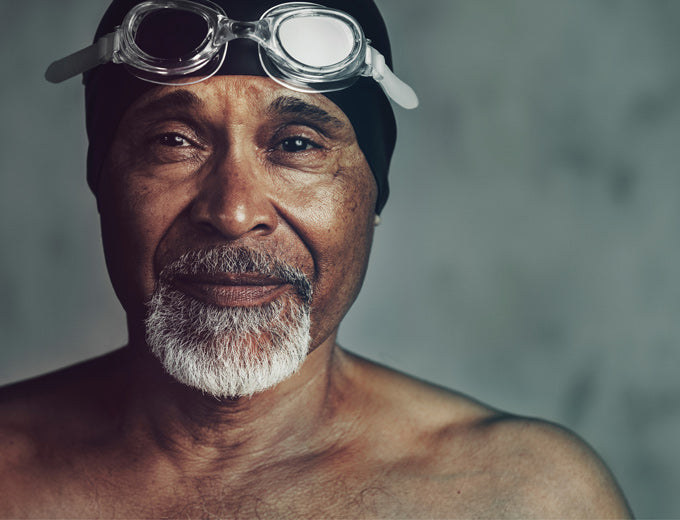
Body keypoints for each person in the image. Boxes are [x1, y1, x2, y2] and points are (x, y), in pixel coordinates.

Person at [0, 0, 632, 517]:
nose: (235, 211)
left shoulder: (525, 499)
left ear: (373, 195)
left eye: (296, 144)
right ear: (103, 182)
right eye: (174, 141)